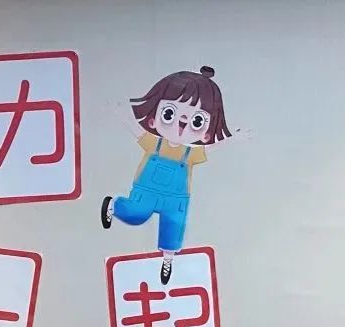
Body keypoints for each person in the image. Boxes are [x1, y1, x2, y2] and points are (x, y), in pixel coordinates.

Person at [101, 66, 244, 284]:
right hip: (147, 189)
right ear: (153, 120)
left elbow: (212, 149)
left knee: (173, 228)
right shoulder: (154, 143)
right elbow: (135, 130)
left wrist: (233, 139)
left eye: (196, 121)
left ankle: (168, 259)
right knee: (135, 214)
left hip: (176, 198)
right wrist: (120, 114)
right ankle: (113, 205)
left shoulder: (192, 153)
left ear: (206, 134)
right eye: (169, 114)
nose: (182, 124)